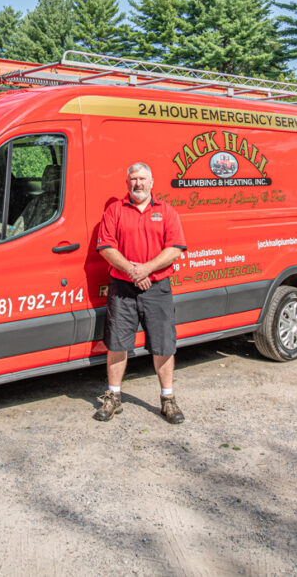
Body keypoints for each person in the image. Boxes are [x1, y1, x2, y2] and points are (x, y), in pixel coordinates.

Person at [93, 162, 188, 423]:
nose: (138, 184)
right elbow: (106, 247)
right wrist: (133, 272)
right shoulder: (115, 211)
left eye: (142, 179)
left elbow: (175, 248)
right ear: (127, 183)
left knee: (163, 345)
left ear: (152, 182)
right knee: (117, 344)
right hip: (122, 288)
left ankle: (168, 399)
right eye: (133, 179)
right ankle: (113, 396)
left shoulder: (166, 211)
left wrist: (146, 269)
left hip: (157, 288)